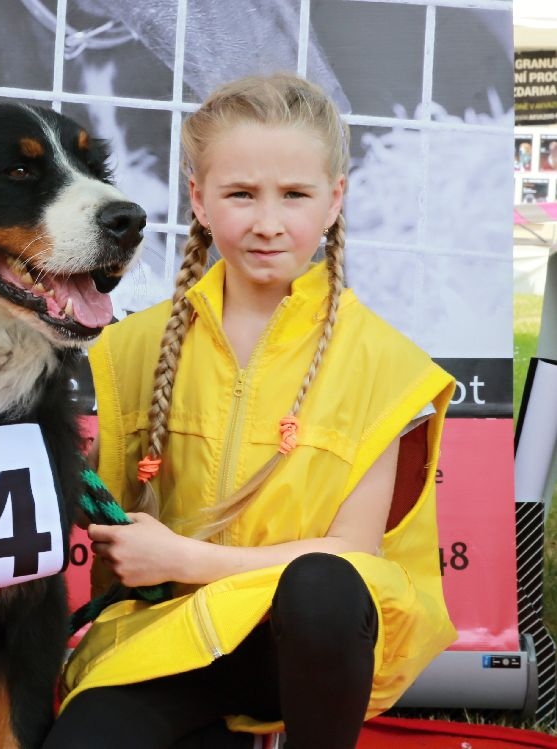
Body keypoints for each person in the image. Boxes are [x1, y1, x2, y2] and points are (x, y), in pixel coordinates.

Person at [43, 73, 456, 749]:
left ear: (334, 200)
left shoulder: (382, 361)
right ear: (199, 200)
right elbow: (105, 498)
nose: (267, 223)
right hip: (167, 637)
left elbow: (350, 552)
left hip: (292, 651)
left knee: (323, 585)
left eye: (294, 195)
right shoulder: (133, 344)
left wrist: (177, 554)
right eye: (240, 194)